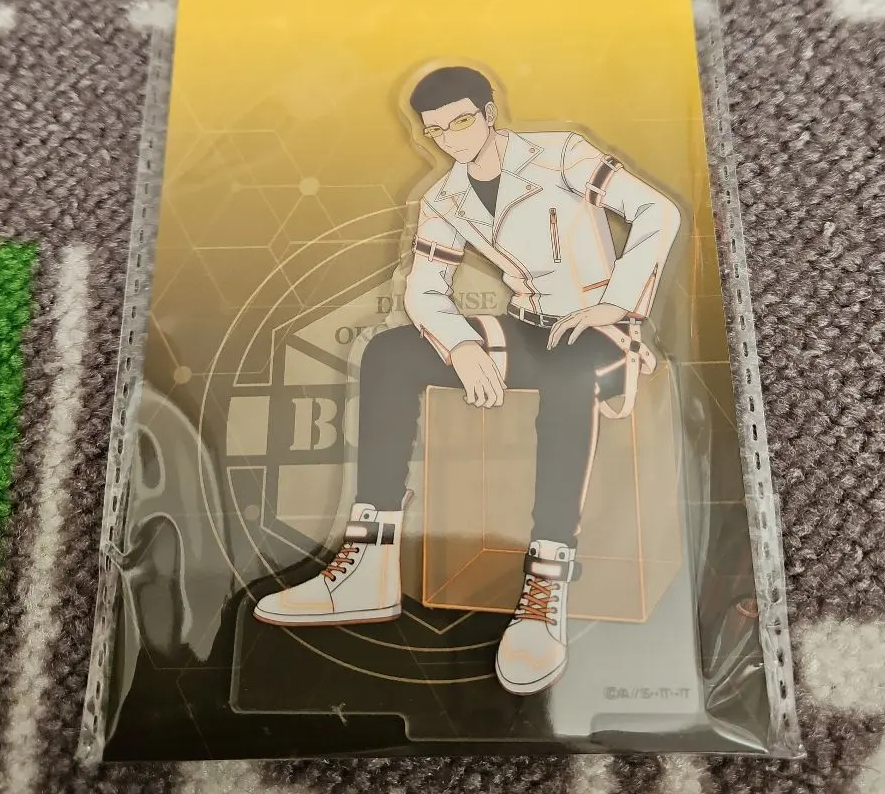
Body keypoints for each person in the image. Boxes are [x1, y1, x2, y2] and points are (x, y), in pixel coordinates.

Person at [255, 65, 681, 695]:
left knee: (569, 373)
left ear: (487, 112)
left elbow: (656, 211)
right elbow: (425, 290)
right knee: (391, 353)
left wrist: (615, 304)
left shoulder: (560, 154)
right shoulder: (445, 198)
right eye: (436, 131)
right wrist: (459, 345)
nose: (451, 138)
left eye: (460, 121)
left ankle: (544, 590)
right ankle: (369, 567)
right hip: (528, 329)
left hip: (603, 333)